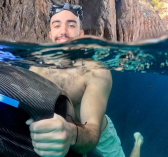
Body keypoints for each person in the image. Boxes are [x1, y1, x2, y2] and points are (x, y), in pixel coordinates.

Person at [26, 3, 144, 157]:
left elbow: (92, 132)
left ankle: (138, 142)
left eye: (71, 25)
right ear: (50, 34)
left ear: (80, 34)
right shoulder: (36, 69)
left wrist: (70, 133)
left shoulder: (95, 71)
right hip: (57, 135)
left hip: (99, 136)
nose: (63, 31)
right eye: (57, 25)